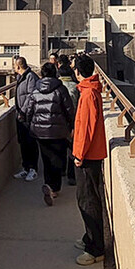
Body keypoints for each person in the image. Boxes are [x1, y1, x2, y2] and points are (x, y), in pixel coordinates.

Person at [71, 54, 107, 266]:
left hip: (88, 155)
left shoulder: (88, 94)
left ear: (78, 72)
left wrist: (79, 154)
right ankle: (89, 239)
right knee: (86, 197)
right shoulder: (89, 90)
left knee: (88, 200)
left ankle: (96, 249)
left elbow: (86, 128)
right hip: (90, 153)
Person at [24, 62, 75, 206]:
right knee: (58, 158)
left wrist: (30, 125)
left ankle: (48, 184)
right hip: (59, 131)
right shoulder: (61, 89)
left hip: (40, 131)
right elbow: (69, 110)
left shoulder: (35, 90)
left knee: (46, 158)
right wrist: (71, 126)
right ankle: (55, 188)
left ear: (42, 74)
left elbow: (29, 110)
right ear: (55, 73)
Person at [12, 56, 40, 181]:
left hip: (28, 115)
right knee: (22, 141)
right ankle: (26, 168)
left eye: (14, 66)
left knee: (30, 141)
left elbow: (31, 96)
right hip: (20, 115)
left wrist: (23, 110)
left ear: (18, 66)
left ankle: (33, 169)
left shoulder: (30, 77)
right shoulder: (20, 77)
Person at [57, 55, 79, 185]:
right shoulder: (76, 87)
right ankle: (72, 176)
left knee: (60, 148)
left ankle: (61, 171)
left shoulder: (58, 87)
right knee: (72, 149)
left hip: (60, 122)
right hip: (74, 121)